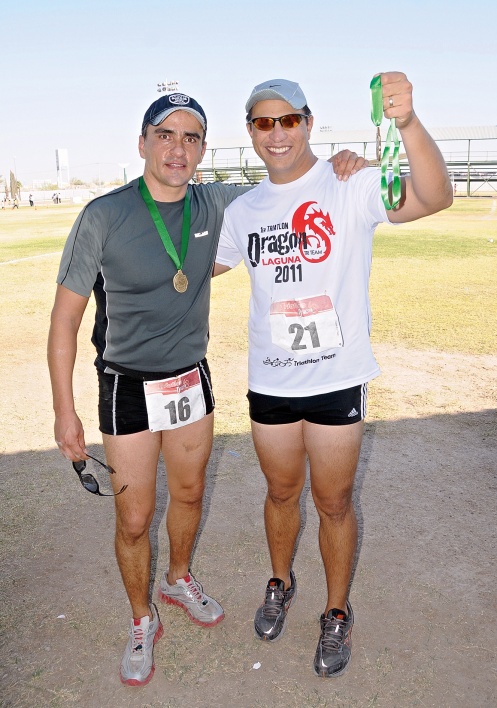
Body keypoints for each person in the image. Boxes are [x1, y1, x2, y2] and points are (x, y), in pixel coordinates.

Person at [47, 90, 366, 687]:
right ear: (143, 143)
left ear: (202, 149)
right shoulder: (103, 215)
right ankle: (141, 619)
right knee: (135, 517)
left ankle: (178, 578)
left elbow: (289, 175)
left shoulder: (218, 201)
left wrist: (344, 163)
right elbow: (65, 319)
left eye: (191, 138)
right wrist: (65, 412)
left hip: (190, 378)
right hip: (126, 384)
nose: (178, 149)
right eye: (165, 135)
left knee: (190, 495)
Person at [214, 74, 453, 678]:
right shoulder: (242, 211)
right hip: (271, 381)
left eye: (288, 120)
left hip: (337, 379)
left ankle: (337, 611)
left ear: (308, 123)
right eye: (263, 123)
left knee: (334, 501)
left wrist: (406, 122)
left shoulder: (350, 183)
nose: (277, 134)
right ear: (250, 132)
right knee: (280, 493)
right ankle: (279, 581)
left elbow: (434, 196)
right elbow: (196, 268)